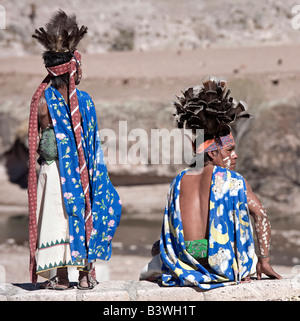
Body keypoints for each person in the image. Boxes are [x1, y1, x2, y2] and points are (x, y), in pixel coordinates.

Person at [140, 77, 281, 289]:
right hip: (220, 264)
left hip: (184, 263)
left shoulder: (178, 181)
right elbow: (260, 216)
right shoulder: (234, 181)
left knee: (157, 248)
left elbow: (171, 230)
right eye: (229, 150)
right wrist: (264, 260)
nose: (235, 156)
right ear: (213, 152)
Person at [28, 10, 122, 289]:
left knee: (57, 219)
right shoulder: (83, 101)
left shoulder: (41, 100)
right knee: (79, 214)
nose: (81, 73)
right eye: (79, 67)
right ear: (72, 69)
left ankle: (58, 276)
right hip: (77, 177)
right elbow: (92, 147)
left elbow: (36, 141)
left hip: (50, 172)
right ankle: (84, 274)